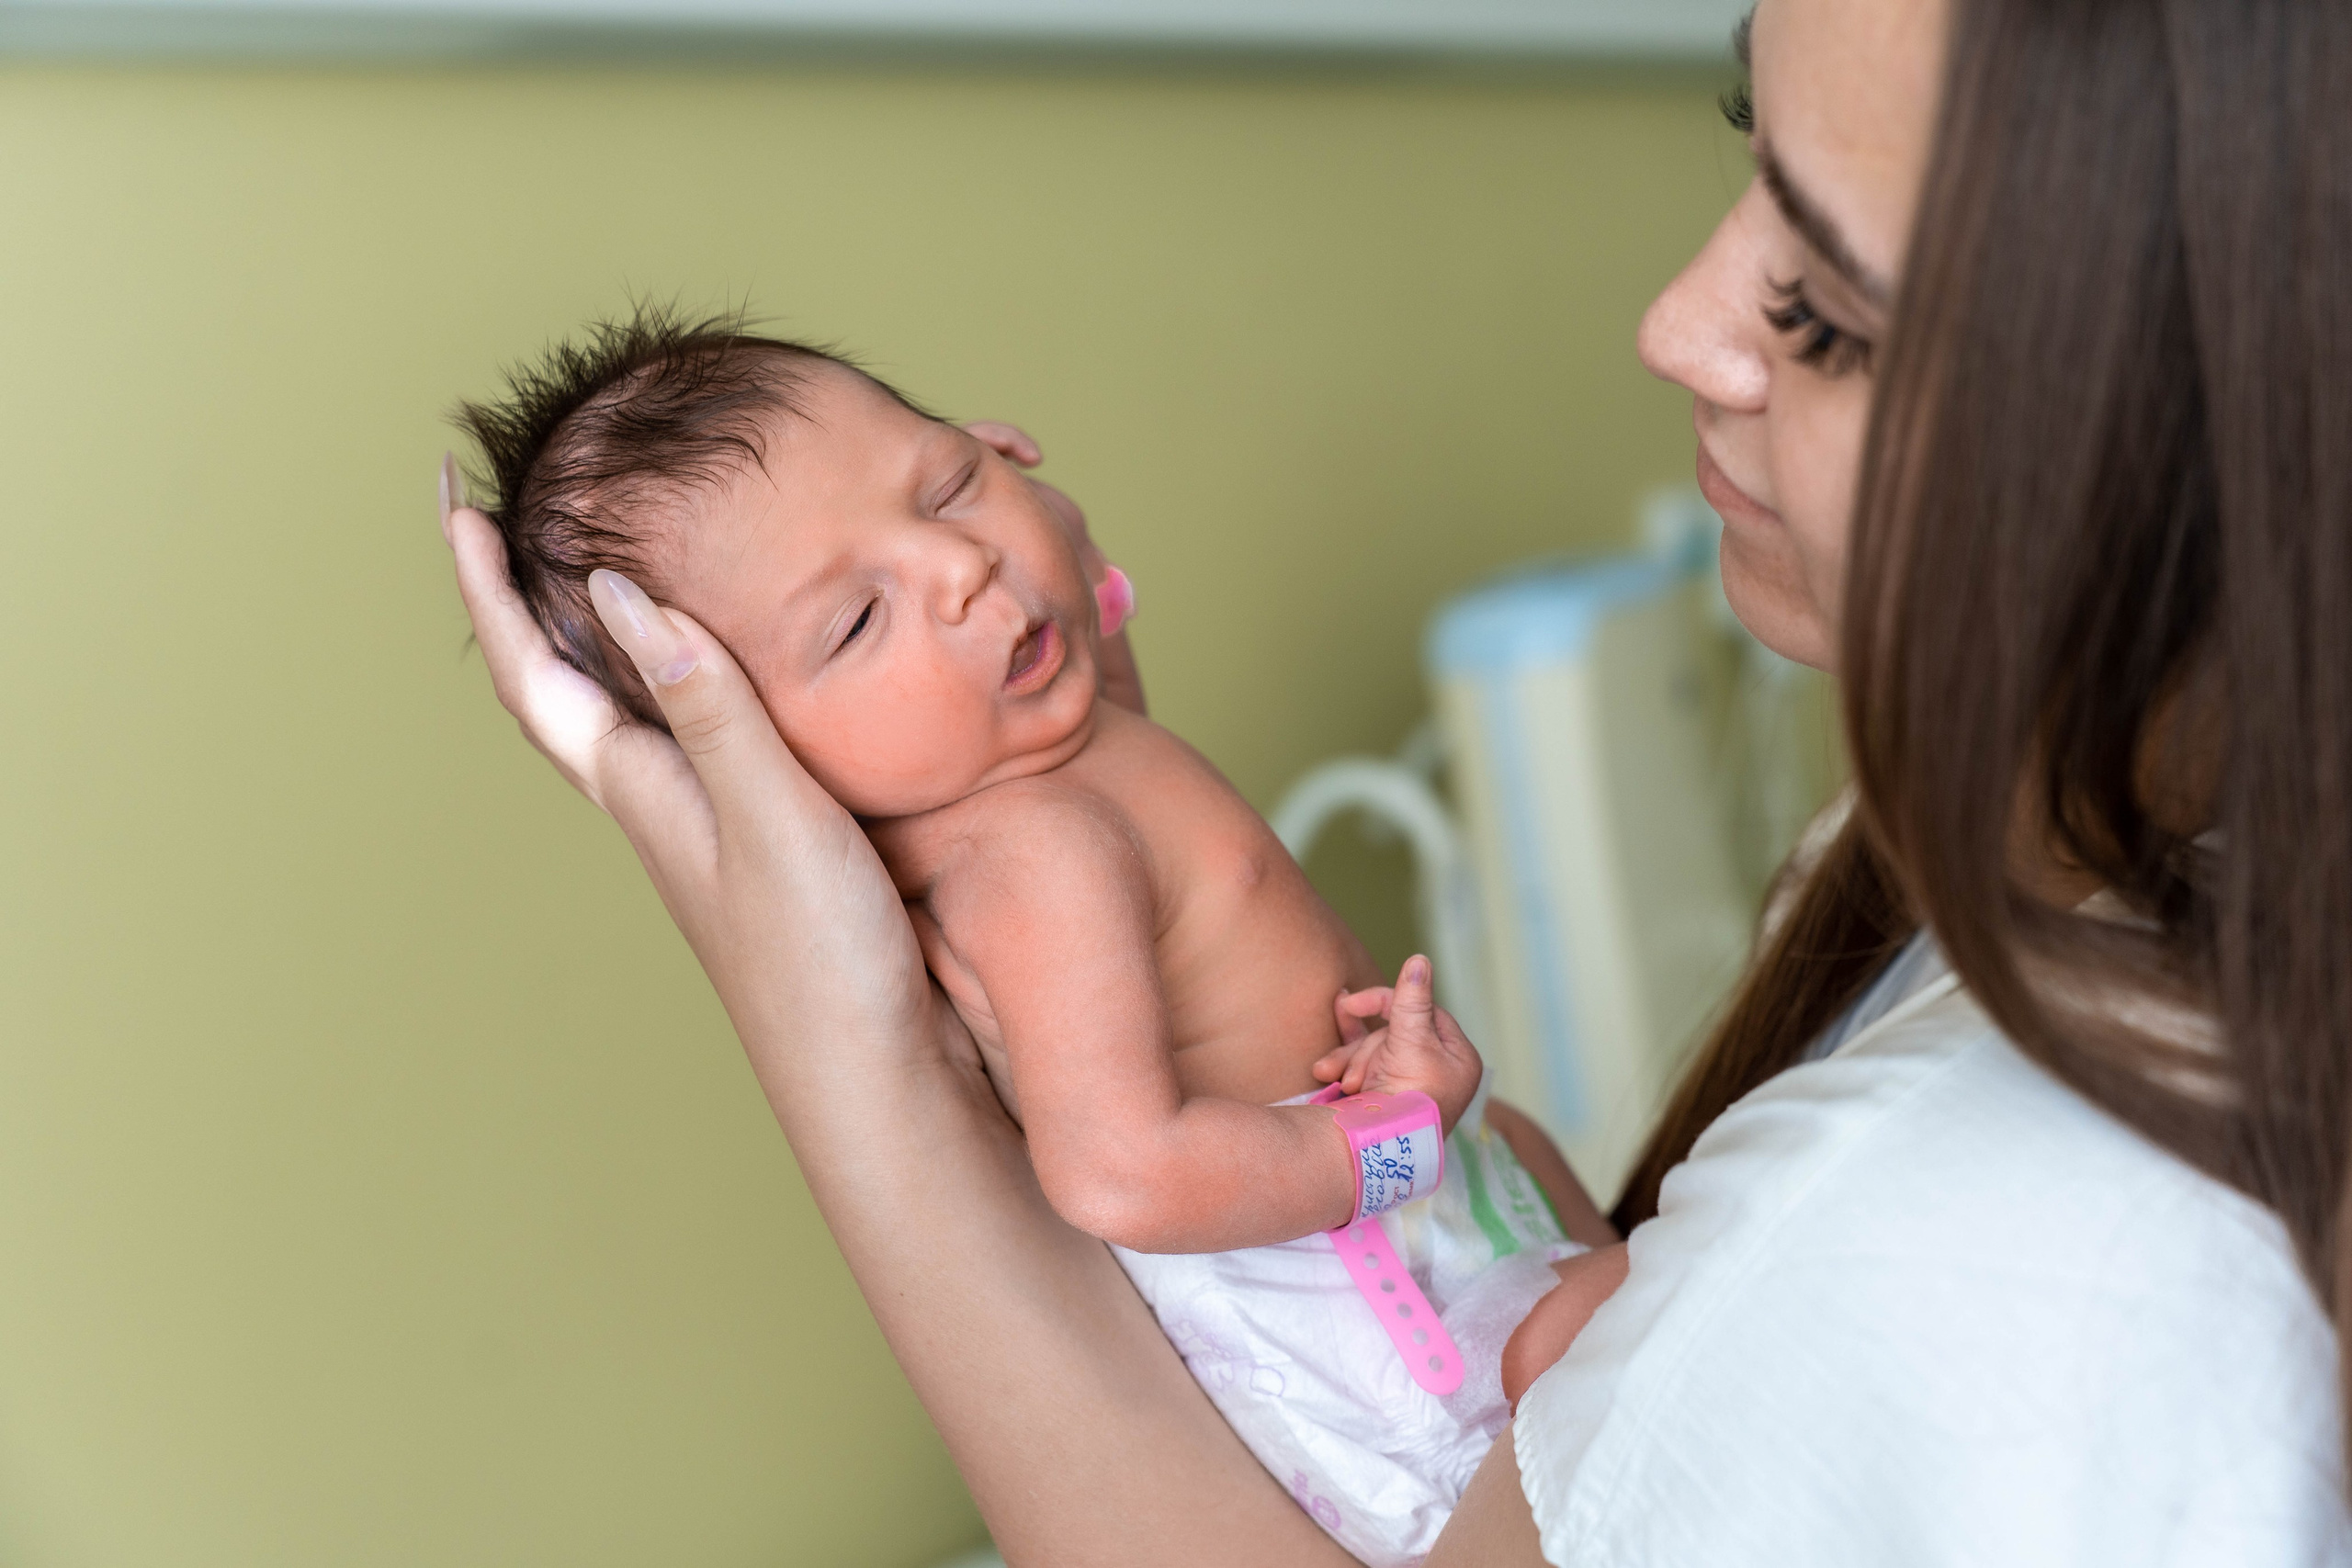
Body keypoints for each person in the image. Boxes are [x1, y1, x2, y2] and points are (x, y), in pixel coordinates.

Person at [440, 0, 2352, 1558]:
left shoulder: (1961, 1212)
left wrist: (843, 1028)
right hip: (1351, 1240)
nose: (1674, 323)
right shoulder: (1981, 877)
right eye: (851, 625)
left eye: (1824, 311)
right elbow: (1119, 1151)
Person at [447, 316, 1600, 1563]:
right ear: (763, 757)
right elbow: (1122, 1174)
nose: (957, 568)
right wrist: (1391, 1143)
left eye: (945, 482)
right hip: (1366, 1319)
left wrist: (1033, 525)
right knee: (1643, 1310)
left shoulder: (1042, 748)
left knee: (1569, 1201)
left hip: (1397, 1240)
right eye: (853, 623)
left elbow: (1094, 646)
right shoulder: (1036, 856)